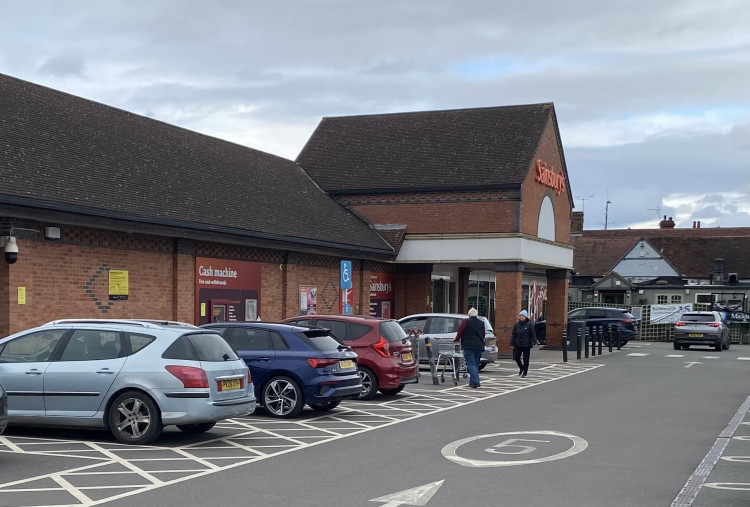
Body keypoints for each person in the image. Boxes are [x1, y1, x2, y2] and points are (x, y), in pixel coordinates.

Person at [453, 308, 486, 388]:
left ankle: (476, 381)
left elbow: (460, 332)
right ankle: (472, 382)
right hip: (479, 346)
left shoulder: (465, 322)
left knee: (470, 364)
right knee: (475, 365)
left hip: (468, 345)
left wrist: (456, 339)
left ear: (469, 315)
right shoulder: (481, 323)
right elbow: (483, 334)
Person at [511, 310, 537, 378]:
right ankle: (521, 367)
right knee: (516, 357)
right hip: (518, 344)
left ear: (525, 317)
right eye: (520, 315)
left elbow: (533, 334)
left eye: (522, 315)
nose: (521, 317)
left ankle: (525, 372)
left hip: (526, 344)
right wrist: (512, 343)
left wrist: (534, 341)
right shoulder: (516, 325)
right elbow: (513, 334)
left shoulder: (529, 324)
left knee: (526, 358)